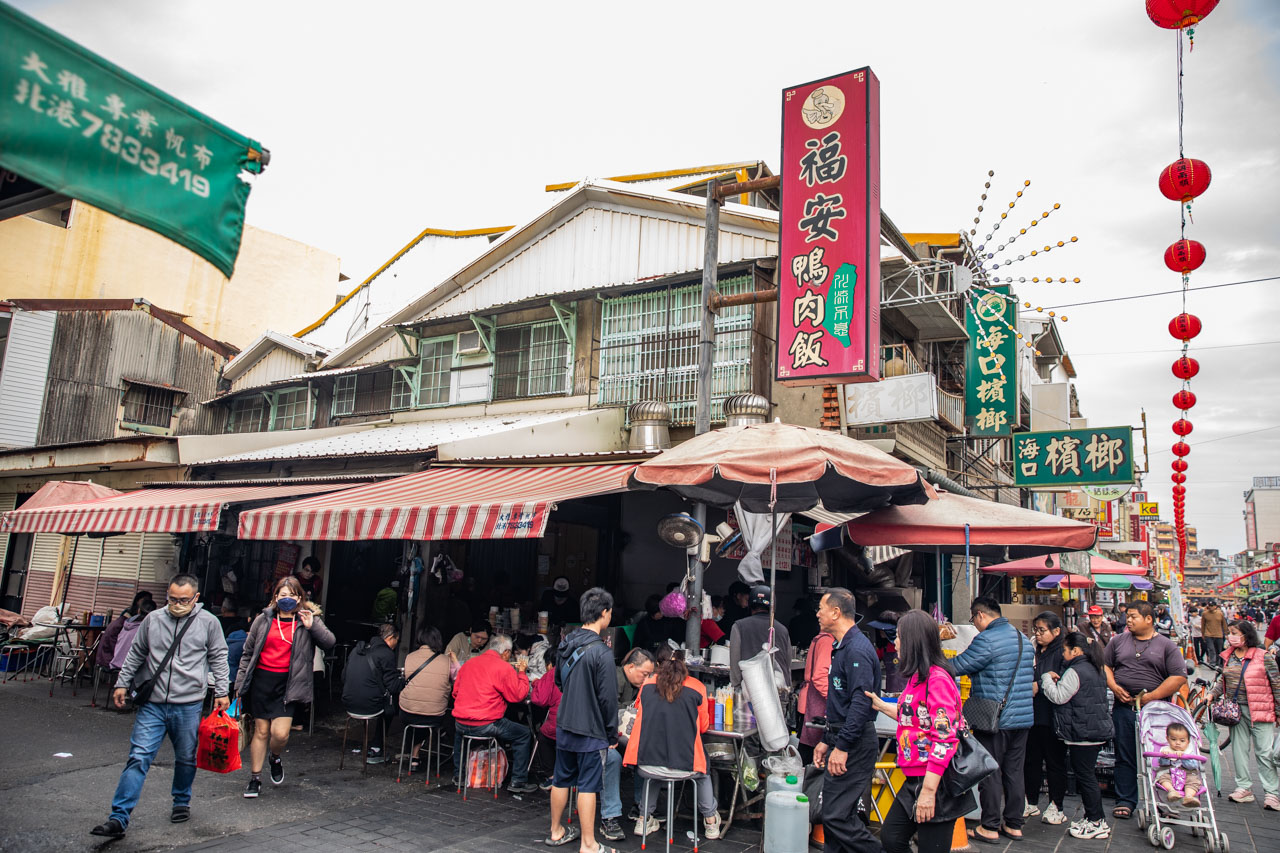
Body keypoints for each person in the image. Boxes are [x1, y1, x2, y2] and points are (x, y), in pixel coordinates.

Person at [91, 574, 229, 839]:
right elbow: (136, 652)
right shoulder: (153, 620)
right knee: (138, 757)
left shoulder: (209, 622)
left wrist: (222, 691)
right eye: (172, 599)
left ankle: (181, 800)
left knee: (186, 758)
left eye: (183, 600)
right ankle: (119, 817)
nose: (177, 604)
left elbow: (219, 657)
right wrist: (122, 683)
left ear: (195, 598)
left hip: (188, 704)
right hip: (152, 704)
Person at [866, 610, 971, 853]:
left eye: (899, 636)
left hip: (936, 781)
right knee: (892, 838)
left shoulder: (937, 679)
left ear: (913, 641)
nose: (895, 643)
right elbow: (916, 718)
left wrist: (929, 792)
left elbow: (944, 737)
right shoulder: (918, 677)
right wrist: (880, 705)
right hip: (914, 779)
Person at [235, 576, 336, 797]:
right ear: (275, 597)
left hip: (289, 685)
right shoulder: (263, 620)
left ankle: (275, 757)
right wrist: (240, 685)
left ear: (299, 598)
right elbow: (248, 653)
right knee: (261, 731)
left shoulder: (307, 619)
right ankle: (255, 778)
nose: (287, 599)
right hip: (262, 682)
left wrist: (312, 627)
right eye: (283, 595)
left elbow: (329, 642)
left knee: (280, 734)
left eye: (292, 595)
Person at [951, 596, 1034, 843]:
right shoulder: (1022, 638)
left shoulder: (986, 640)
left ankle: (989, 826)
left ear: (980, 615)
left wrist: (931, 660)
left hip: (994, 718)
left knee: (990, 771)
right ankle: (1014, 824)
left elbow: (958, 666)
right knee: (1015, 772)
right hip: (1022, 718)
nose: (974, 624)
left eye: (973, 619)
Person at [548, 587, 622, 850]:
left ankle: (556, 831)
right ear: (604, 613)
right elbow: (608, 700)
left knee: (561, 779)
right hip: (591, 730)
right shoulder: (602, 652)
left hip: (565, 724)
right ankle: (588, 844)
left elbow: (559, 681)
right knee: (588, 785)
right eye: (610, 612)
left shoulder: (566, 643)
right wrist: (611, 733)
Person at [624, 648, 723, 842]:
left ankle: (643, 820)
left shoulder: (647, 685)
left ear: (659, 666)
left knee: (653, 773)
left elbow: (639, 714)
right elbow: (703, 727)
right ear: (685, 668)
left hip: (647, 764)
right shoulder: (697, 687)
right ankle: (711, 822)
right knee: (703, 773)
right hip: (687, 767)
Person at [1103, 601, 1189, 820]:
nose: (1128, 620)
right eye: (1128, 616)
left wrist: (1152, 696)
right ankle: (1126, 800)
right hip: (1124, 706)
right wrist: (1114, 686)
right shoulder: (1117, 641)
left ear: (1149, 619)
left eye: (1133, 616)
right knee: (1124, 753)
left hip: (1156, 711)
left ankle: (1163, 800)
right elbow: (1106, 666)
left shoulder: (1166, 645)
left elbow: (1179, 676)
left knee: (1160, 755)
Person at [812, 588, 882, 853]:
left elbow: (861, 704)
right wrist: (826, 740)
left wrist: (842, 747)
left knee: (836, 816)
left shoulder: (857, 650)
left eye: (821, 608)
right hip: (841, 737)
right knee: (834, 814)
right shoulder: (841, 646)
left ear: (835, 612)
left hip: (855, 743)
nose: (817, 614)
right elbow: (840, 703)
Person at [1038, 631, 1114, 840]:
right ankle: (1094, 818)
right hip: (1094, 730)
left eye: (1065, 650)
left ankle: (1096, 821)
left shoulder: (1075, 671)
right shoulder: (1096, 669)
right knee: (1087, 775)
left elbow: (1059, 697)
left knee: (1086, 777)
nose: (1063, 654)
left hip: (1082, 733)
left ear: (1076, 651)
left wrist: (1046, 678)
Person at [452, 633, 537, 794]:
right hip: (486, 724)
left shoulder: (469, 663)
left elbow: (455, 692)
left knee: (460, 735)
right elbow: (518, 695)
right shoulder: (504, 667)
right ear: (506, 652)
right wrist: (521, 672)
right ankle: (518, 781)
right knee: (524, 734)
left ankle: (459, 776)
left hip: (460, 722)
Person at [1211, 620, 1280, 809]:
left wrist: (1279, 711)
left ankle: (1272, 793)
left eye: (1234, 633)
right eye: (1229, 633)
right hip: (1236, 711)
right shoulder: (1229, 656)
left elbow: (1277, 685)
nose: (1230, 636)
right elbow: (1223, 679)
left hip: (1261, 710)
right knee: (1239, 751)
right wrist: (1213, 694)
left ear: (1246, 635)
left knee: (1264, 753)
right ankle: (1244, 788)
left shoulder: (1263, 656)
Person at [1024, 611, 1068, 825]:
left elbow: (1061, 681)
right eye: (1036, 630)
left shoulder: (1061, 652)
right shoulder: (1033, 648)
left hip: (1053, 716)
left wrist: (1039, 684)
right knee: (1031, 760)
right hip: (1032, 713)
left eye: (1042, 630)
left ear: (1056, 631)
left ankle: (1056, 805)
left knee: (1054, 762)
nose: (1038, 634)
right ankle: (1030, 801)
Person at [342, 624, 404, 764]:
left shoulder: (356, 650)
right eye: (397, 640)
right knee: (391, 705)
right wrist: (404, 680)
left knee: (373, 695)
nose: (396, 644)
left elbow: (343, 677)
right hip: (369, 706)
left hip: (348, 703)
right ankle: (376, 747)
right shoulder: (387, 654)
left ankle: (368, 742)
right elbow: (393, 686)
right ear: (390, 638)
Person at [398, 626, 452, 771]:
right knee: (431, 715)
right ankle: (441, 734)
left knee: (416, 716)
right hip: (435, 715)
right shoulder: (446, 661)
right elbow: (453, 682)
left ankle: (414, 756)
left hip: (407, 712)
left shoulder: (410, 657)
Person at [728, 585, 793, 694]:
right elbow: (788, 663)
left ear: (750, 605)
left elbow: (735, 662)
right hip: (779, 691)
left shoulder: (739, 626)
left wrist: (737, 687)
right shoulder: (783, 630)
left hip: (751, 692)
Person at [797, 620, 835, 766]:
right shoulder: (827, 641)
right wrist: (834, 699)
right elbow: (820, 676)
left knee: (808, 750)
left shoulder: (820, 638)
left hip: (809, 700)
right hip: (815, 702)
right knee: (810, 753)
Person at [96, 591, 156, 671]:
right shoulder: (137, 627)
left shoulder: (128, 623)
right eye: (145, 601)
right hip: (114, 662)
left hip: (114, 662)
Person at [531, 647, 561, 788]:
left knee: (543, 736)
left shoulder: (552, 673)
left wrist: (536, 683)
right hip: (581, 724)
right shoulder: (577, 671)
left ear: (549, 664)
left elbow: (540, 700)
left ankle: (552, 776)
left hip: (560, 722)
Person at [1154, 722, 1204, 808]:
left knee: (1194, 781)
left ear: (1188, 741)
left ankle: (1189, 797)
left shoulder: (1190, 751)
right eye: (1173, 739)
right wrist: (1165, 757)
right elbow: (1161, 764)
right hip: (1169, 773)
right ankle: (1172, 791)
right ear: (1167, 739)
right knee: (1162, 777)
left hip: (1187, 774)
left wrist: (1184, 757)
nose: (1177, 743)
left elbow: (1193, 766)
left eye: (1182, 741)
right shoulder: (1165, 750)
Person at [110, 599, 158, 671]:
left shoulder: (127, 625)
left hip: (115, 666)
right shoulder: (146, 630)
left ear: (139, 610)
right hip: (130, 670)